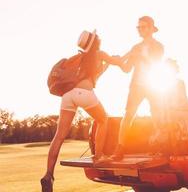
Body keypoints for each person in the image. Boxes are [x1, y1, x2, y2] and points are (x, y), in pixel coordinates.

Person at [41, 30, 121, 192]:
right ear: (96, 42)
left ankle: (48, 174)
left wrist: (107, 65)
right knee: (103, 120)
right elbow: (119, 63)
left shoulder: (79, 59)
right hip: (84, 94)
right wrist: (119, 59)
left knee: (59, 136)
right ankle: (99, 156)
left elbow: (94, 75)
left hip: (68, 96)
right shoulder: (99, 54)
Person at [110, 16, 164, 161]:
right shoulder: (135, 47)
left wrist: (140, 56)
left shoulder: (158, 46)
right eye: (138, 27)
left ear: (152, 28)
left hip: (153, 85)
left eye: (143, 27)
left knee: (157, 116)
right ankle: (120, 148)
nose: (140, 30)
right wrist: (118, 62)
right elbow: (127, 68)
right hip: (137, 86)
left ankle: (159, 147)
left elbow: (155, 64)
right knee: (128, 115)